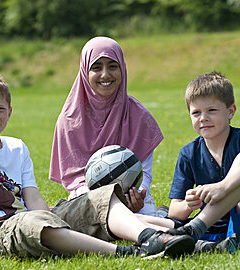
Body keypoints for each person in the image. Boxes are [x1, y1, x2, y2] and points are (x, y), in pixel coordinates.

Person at [0, 72, 195, 258]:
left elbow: (32, 197)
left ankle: (170, 234)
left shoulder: (17, 147)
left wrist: (58, 213)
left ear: (10, 112)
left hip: (35, 215)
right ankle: (128, 252)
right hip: (0, 234)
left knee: (98, 198)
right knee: (36, 222)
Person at [165, 71, 240, 252]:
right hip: (217, 232)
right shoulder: (188, 153)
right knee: (155, 221)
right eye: (196, 112)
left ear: (230, 111)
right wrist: (188, 204)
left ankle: (195, 229)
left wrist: (223, 186)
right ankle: (201, 237)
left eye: (211, 110)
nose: (203, 118)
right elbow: (174, 211)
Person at [49, 37, 163, 216]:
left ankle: (168, 227)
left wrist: (137, 194)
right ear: (84, 72)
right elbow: (77, 182)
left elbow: (145, 172)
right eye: (96, 67)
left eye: (112, 66)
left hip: (131, 196)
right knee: (95, 219)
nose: (105, 74)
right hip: (87, 197)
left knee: (144, 214)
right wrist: (107, 198)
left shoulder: (140, 116)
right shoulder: (69, 119)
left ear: (122, 69)